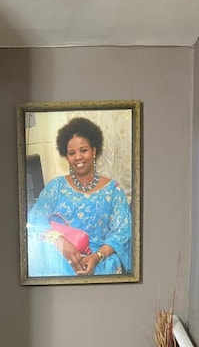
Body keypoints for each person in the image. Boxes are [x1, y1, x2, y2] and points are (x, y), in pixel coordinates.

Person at [26, 117, 132, 277]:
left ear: (94, 151)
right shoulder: (56, 187)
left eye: (83, 150)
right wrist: (60, 242)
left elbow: (123, 232)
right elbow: (34, 220)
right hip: (57, 257)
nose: (78, 157)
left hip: (98, 262)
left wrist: (97, 257)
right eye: (71, 153)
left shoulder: (113, 190)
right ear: (66, 156)